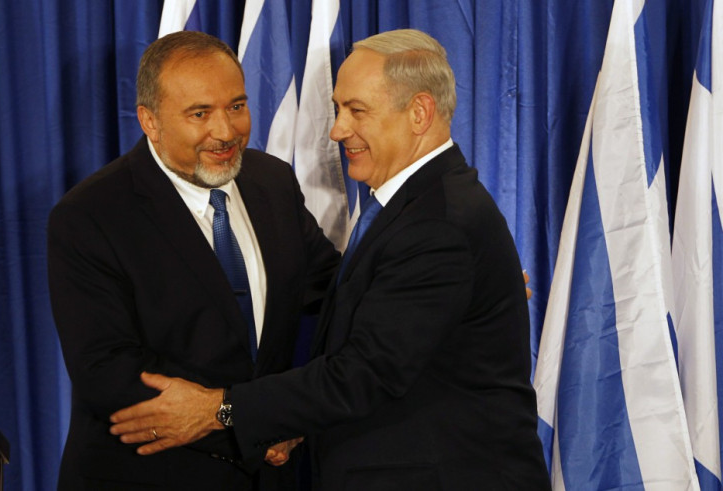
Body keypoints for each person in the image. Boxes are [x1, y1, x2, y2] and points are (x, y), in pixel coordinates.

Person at [110, 29, 550, 490]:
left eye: (356, 110)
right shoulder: (415, 209)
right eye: (338, 109)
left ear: (419, 112)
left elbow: (360, 375)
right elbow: (341, 304)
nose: (337, 130)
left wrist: (220, 409)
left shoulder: (438, 225)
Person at [47, 31, 339, 490]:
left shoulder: (272, 182)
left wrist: (297, 411)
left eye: (237, 106)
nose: (225, 131)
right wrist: (253, 425)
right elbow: (107, 371)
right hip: (148, 475)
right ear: (150, 121)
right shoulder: (90, 216)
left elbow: (330, 295)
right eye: (199, 113)